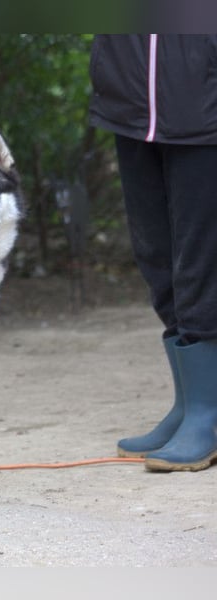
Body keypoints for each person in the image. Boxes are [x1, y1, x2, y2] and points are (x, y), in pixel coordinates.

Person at [89, 34, 217, 472]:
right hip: (129, 100)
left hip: (203, 102)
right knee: (157, 259)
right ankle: (188, 404)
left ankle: (208, 416)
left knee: (201, 261)